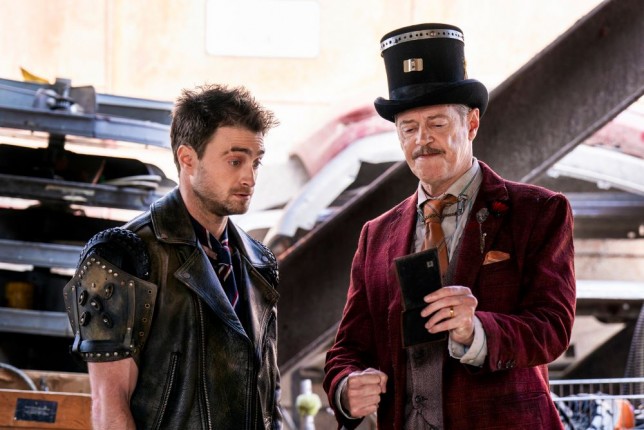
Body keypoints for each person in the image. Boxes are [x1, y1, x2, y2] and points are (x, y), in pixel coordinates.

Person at [323, 23, 576, 430]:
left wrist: (475, 329)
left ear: (471, 124)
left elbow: (553, 327)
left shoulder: (539, 211)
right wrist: (345, 387)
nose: (422, 140)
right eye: (409, 128)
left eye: (438, 123)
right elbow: (348, 348)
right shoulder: (375, 235)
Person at [63, 84, 282, 429]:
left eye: (256, 162)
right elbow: (110, 406)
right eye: (235, 161)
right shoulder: (121, 256)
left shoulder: (259, 263)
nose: (249, 177)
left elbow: (268, 399)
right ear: (187, 158)